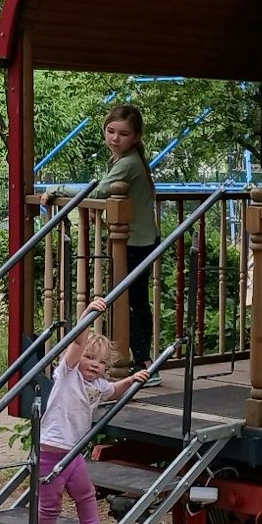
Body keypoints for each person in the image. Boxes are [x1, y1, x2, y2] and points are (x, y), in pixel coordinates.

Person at [38, 297, 152, 524]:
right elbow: (77, 343)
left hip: (74, 452)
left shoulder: (98, 386)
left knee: (85, 493)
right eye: (89, 358)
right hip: (51, 451)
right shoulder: (67, 374)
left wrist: (132, 380)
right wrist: (88, 314)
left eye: (101, 362)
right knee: (50, 504)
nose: (94, 365)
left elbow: (113, 391)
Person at [95, 104, 159, 380]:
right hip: (144, 239)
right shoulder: (127, 160)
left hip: (134, 242)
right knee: (137, 301)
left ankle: (144, 362)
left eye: (123, 134)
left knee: (123, 301)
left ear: (136, 137)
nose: (115, 138)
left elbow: (99, 192)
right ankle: (146, 362)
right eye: (111, 131)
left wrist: (56, 190)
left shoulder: (128, 164)